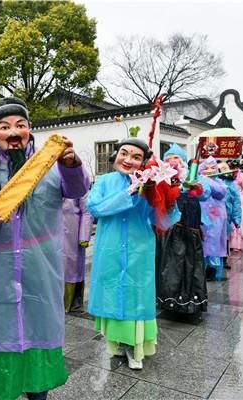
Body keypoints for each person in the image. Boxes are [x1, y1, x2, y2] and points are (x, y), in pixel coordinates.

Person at [0, 96, 89, 400]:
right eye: (4, 126)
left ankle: (38, 395)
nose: (12, 131)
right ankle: (3, 392)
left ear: (30, 130)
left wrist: (72, 164)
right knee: (3, 332)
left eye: (20, 125)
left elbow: (78, 190)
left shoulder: (51, 165)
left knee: (39, 329)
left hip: (41, 266)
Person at [87, 137, 180, 370]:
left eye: (136, 157)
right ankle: (116, 342)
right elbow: (95, 208)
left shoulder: (151, 185)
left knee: (136, 296)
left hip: (139, 249)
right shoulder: (104, 181)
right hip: (109, 248)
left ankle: (135, 347)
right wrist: (130, 192)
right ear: (115, 155)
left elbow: (162, 220)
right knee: (111, 292)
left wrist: (166, 198)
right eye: (124, 153)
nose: (128, 160)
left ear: (143, 162)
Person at [156, 144, 210, 314]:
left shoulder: (192, 176)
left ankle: (190, 300)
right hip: (170, 228)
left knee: (190, 261)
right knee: (169, 262)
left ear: (184, 161)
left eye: (176, 158)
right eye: (168, 158)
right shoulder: (162, 177)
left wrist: (196, 187)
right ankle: (168, 299)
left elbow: (206, 192)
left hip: (190, 227)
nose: (172, 161)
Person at [198, 157, 228, 281]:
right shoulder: (196, 180)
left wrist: (208, 181)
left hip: (217, 217)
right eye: (206, 168)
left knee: (215, 241)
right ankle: (202, 270)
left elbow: (221, 193)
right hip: (201, 214)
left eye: (212, 168)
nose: (209, 170)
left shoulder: (220, 182)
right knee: (203, 240)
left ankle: (214, 269)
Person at [62, 194, 93, 313]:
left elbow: (87, 211)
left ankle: (71, 303)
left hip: (73, 233)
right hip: (52, 232)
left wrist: (84, 235)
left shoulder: (78, 180)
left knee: (72, 266)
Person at [218, 160, 242, 266]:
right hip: (213, 215)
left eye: (225, 168)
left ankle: (224, 259)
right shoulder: (212, 181)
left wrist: (237, 218)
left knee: (224, 237)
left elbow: (236, 202)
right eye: (220, 169)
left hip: (226, 215)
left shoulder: (232, 184)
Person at [230, 162, 243, 250]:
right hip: (230, 203)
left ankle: (237, 245)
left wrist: (241, 185)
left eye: (236, 167)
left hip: (240, 204)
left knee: (238, 223)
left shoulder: (242, 178)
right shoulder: (227, 177)